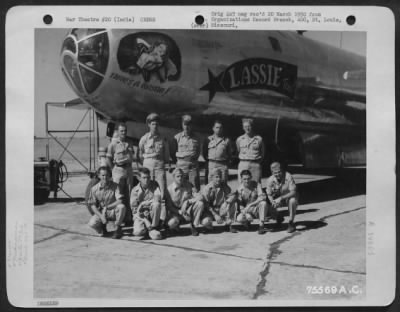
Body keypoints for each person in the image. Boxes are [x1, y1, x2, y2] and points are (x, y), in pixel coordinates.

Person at [87, 166, 126, 239]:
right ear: (99, 176)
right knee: (92, 224)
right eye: (103, 175)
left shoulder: (115, 186)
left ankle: (118, 228)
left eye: (107, 175)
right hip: (101, 212)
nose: (105, 177)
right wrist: (101, 216)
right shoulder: (94, 189)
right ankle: (102, 230)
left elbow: (120, 200)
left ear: (110, 176)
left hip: (112, 211)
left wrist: (107, 207)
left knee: (122, 207)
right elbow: (93, 205)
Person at [138, 113, 170, 199]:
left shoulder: (163, 139)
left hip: (159, 168)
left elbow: (166, 156)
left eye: (156, 124)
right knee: (148, 190)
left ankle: (162, 209)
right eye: (152, 124)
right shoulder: (144, 139)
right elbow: (140, 154)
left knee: (162, 190)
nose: (155, 126)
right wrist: (147, 163)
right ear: (149, 125)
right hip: (148, 167)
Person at [165, 168, 204, 236]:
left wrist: (188, 202)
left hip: (187, 212)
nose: (180, 178)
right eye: (178, 176)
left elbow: (200, 197)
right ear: (173, 177)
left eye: (181, 176)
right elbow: (169, 206)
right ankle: (175, 227)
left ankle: (193, 226)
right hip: (176, 213)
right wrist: (179, 212)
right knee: (172, 223)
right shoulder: (169, 189)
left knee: (200, 204)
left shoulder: (189, 185)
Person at [130, 167, 164, 240]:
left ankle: (155, 227)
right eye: (144, 177)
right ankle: (148, 229)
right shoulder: (134, 190)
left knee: (156, 204)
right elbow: (134, 211)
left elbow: (158, 198)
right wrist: (145, 219)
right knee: (137, 232)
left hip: (151, 213)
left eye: (148, 177)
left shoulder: (154, 185)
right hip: (140, 216)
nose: (147, 180)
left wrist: (144, 204)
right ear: (139, 178)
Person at [201, 168, 238, 233]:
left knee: (232, 202)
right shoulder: (207, 188)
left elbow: (231, 195)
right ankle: (208, 227)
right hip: (210, 211)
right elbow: (206, 204)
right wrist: (215, 215)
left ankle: (228, 224)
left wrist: (227, 201)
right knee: (205, 221)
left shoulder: (224, 185)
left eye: (220, 177)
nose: (219, 179)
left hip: (221, 209)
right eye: (216, 177)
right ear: (212, 177)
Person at [266, 162, 298, 233]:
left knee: (292, 200)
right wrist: (272, 202)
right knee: (265, 202)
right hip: (276, 199)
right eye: (275, 173)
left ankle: (291, 223)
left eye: (279, 172)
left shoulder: (288, 176)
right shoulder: (270, 180)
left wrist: (281, 198)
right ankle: (278, 217)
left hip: (287, 197)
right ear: (272, 173)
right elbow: (269, 194)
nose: (277, 174)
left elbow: (293, 192)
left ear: (282, 170)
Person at [172, 115, 201, 192]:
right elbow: (173, 152)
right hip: (181, 167)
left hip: (192, 168)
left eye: (188, 125)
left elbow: (198, 152)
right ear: (182, 125)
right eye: (185, 124)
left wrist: (191, 160)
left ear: (191, 126)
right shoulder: (176, 138)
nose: (186, 127)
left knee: (195, 189)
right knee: (181, 189)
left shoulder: (197, 138)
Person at [236, 170, 269, 234]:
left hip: (256, 208)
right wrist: (244, 213)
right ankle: (246, 223)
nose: (247, 181)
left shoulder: (257, 185)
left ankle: (261, 226)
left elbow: (262, 197)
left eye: (248, 178)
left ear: (251, 177)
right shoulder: (239, 189)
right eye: (244, 179)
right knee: (239, 219)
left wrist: (250, 205)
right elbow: (240, 204)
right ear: (241, 179)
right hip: (247, 210)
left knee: (263, 203)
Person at [236, 118, 265, 183]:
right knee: (242, 185)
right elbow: (238, 151)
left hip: (255, 164)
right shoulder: (239, 139)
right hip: (243, 164)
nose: (247, 128)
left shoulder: (259, 139)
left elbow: (262, 153)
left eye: (249, 126)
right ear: (243, 128)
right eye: (245, 127)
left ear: (252, 126)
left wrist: (256, 161)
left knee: (256, 184)